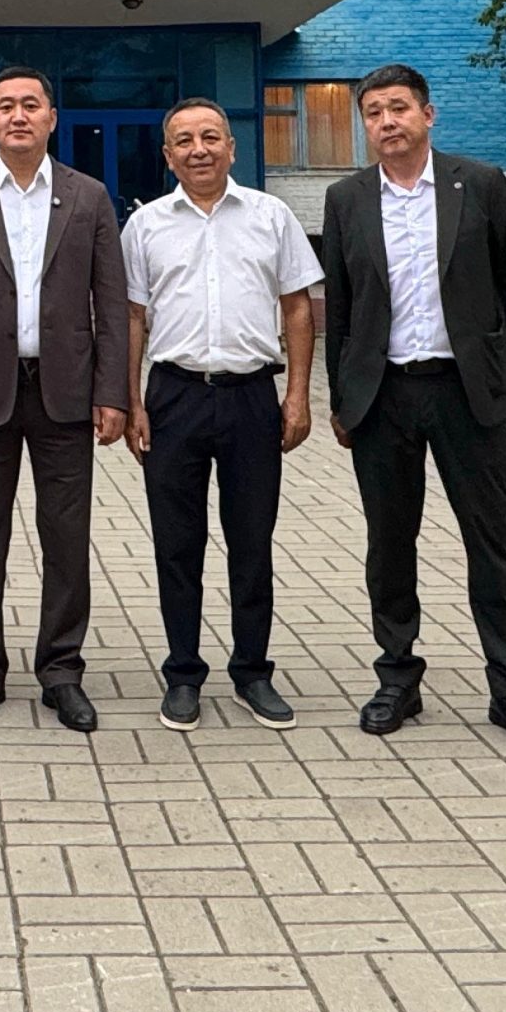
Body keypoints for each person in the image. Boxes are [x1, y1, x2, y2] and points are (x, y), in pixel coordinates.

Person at [319, 64, 506, 754]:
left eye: (398, 108)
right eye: (373, 112)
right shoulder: (346, 199)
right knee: (389, 543)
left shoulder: (478, 183)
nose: (386, 122)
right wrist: (343, 398)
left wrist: (476, 341)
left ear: (428, 115)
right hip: (383, 396)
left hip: (466, 393)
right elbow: (341, 308)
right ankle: (398, 678)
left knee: (491, 542)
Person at [0, 65, 128, 732]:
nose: (18, 115)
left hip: (65, 392)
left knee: (66, 536)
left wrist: (113, 391)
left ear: (51, 118)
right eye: (5, 106)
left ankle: (61, 669)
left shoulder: (89, 197)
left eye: (31, 105)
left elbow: (111, 305)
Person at [121, 97, 321, 734]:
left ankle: (252, 671)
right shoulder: (145, 226)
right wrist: (132, 402)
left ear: (231, 148)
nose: (198, 149)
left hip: (251, 397)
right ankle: (183, 674)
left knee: (251, 540)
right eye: (184, 141)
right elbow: (132, 318)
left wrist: (298, 395)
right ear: (168, 155)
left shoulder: (270, 216)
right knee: (177, 545)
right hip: (173, 398)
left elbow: (298, 307)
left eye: (210, 137)